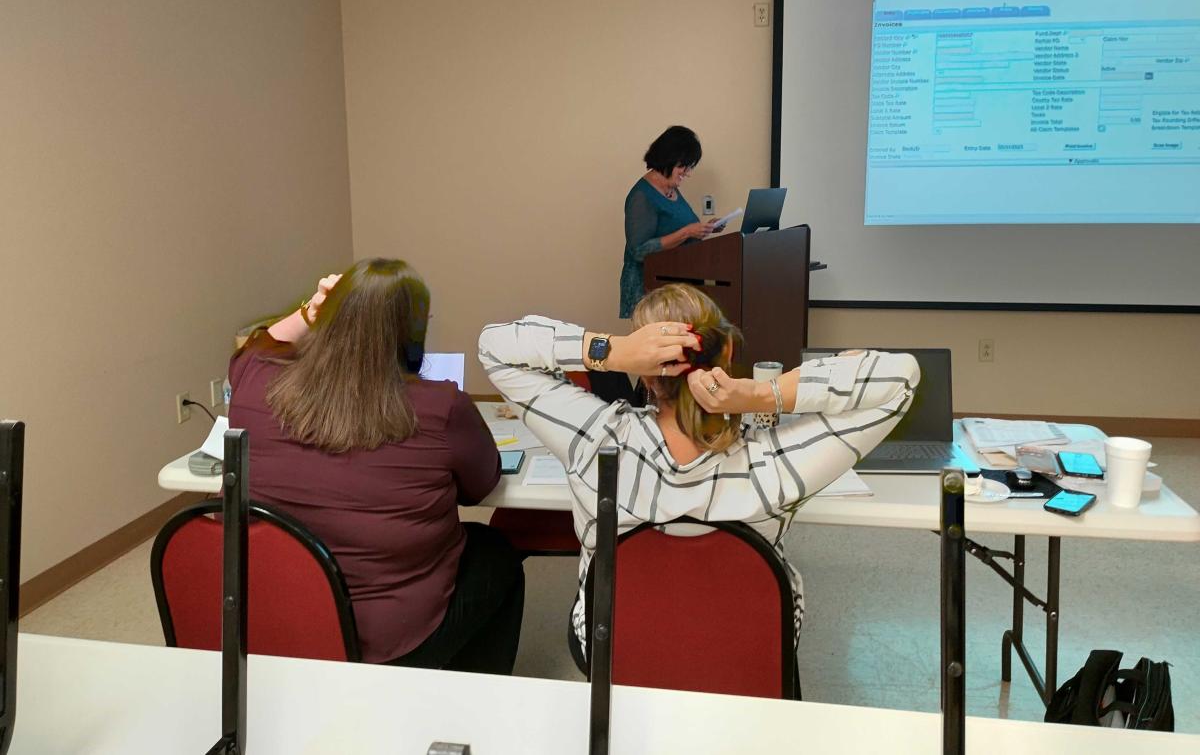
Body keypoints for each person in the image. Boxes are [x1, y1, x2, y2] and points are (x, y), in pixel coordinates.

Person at [478, 283, 919, 673]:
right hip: (752, 651)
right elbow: (901, 379)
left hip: (614, 650)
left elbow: (494, 347)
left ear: (645, 373)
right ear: (726, 354)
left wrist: (610, 351)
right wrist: (762, 393)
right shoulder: (774, 463)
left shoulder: (595, 441)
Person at [229, 258, 524, 674]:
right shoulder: (441, 406)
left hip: (271, 620)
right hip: (388, 639)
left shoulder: (255, 380)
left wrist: (310, 310)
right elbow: (481, 486)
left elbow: (256, 346)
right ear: (415, 330)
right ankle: (466, 698)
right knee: (496, 553)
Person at [620, 126, 719, 320]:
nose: (687, 173)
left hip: (675, 285)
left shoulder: (671, 188)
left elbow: (677, 229)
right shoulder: (642, 196)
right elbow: (639, 251)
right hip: (650, 292)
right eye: (684, 166)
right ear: (669, 158)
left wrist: (704, 229)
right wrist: (687, 232)